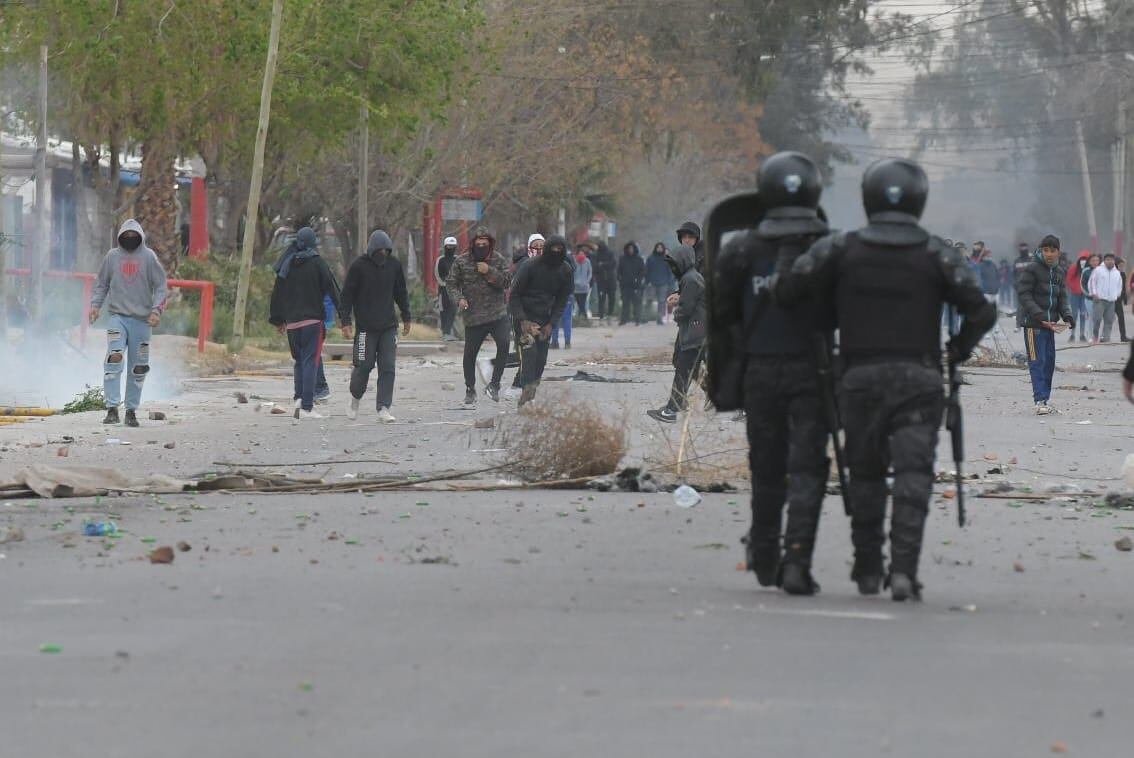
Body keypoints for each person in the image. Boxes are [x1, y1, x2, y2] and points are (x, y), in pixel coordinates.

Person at [777, 158, 996, 601]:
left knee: (867, 474)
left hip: (858, 378)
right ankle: (904, 570)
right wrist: (958, 349)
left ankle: (868, 567)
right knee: (914, 474)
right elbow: (981, 310)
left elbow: (789, 291)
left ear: (867, 197)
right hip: (919, 376)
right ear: (920, 198)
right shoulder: (937, 252)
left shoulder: (840, 248)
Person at [714, 151, 831, 595]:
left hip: (760, 370)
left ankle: (764, 552)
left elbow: (722, 313)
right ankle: (797, 559)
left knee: (765, 465)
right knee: (807, 467)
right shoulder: (829, 246)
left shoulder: (741, 249)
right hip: (812, 371)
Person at [89, 219, 169, 427]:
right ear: (121, 237)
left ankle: (131, 410)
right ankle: (112, 408)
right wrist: (95, 306)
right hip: (118, 317)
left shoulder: (149, 257)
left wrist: (156, 310)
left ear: (140, 237)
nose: (131, 239)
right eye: (127, 236)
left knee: (139, 367)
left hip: (142, 321)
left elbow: (161, 286)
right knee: (114, 358)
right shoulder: (112, 257)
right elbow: (101, 284)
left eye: (135, 236)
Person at [268, 226, 341, 420]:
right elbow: (332, 289)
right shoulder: (317, 263)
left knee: (299, 362)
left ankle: (299, 400)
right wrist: (345, 316)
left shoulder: (287, 264)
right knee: (311, 362)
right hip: (312, 323)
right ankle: (308, 407)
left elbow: (277, 294)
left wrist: (278, 320)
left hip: (292, 324)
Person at [339, 229, 411, 423]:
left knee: (388, 367)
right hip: (365, 329)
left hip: (388, 327)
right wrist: (345, 321)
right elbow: (346, 296)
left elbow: (401, 292)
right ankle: (355, 398)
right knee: (364, 365)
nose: (383, 255)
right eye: (379, 251)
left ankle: (384, 407)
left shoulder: (394, 265)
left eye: (386, 251)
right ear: (371, 250)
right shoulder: (358, 267)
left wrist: (407, 316)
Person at [446, 226, 512, 404]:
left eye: (485, 244)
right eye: (478, 243)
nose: (481, 246)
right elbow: (451, 284)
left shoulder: (497, 259)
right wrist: (459, 299)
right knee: (469, 355)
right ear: (473, 244)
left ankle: (494, 385)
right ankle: (470, 389)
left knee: (505, 345)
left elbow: (507, 282)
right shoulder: (461, 261)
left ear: (490, 244)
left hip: (497, 313)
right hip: (474, 316)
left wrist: (489, 271)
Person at [509, 234, 573, 407]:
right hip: (524, 317)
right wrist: (523, 321)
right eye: (553, 250)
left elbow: (562, 299)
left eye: (560, 251)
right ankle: (526, 397)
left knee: (541, 360)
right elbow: (514, 295)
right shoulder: (530, 266)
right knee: (528, 358)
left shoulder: (565, 270)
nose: (556, 253)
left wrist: (552, 323)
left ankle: (530, 392)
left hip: (545, 319)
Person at [646, 245, 705, 424]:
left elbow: (686, 308)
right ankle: (675, 407)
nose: (673, 268)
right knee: (686, 368)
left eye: (675, 263)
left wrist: (676, 313)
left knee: (683, 371)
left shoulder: (691, 279)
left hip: (696, 331)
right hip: (696, 330)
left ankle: (672, 410)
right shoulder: (690, 278)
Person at [1017, 234, 1074, 415]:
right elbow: (1024, 294)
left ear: (1058, 252)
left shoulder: (1058, 271)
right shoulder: (1032, 268)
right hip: (1033, 324)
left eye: (1053, 250)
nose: (1049, 254)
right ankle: (1039, 400)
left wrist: (1067, 315)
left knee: (1049, 363)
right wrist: (1039, 314)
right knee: (1037, 361)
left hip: (1050, 325)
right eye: (1046, 250)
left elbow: (1062, 297)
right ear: (1041, 250)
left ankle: (1045, 400)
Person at [1087, 253, 1122, 343]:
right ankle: (1095, 336)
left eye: (1112, 260)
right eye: (1108, 260)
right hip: (1099, 299)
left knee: (1109, 320)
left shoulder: (1117, 273)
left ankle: (1105, 337)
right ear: (1104, 261)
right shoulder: (1098, 270)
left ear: (1114, 261)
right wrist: (1094, 294)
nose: (1110, 262)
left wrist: (1117, 294)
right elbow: (1092, 282)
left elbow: (1119, 285)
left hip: (1111, 301)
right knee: (1097, 319)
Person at [550, 250, 577, 349]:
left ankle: (555, 342)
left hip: (556, 295)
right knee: (566, 319)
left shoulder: (553, 263)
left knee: (555, 319)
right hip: (567, 295)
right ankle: (567, 342)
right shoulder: (569, 263)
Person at [436, 236, 459, 341]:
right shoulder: (440, 260)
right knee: (444, 310)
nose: (451, 248)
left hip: (455, 289)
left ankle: (448, 331)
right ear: (445, 247)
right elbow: (437, 274)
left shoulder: (458, 259)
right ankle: (445, 333)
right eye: (449, 246)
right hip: (443, 289)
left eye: (453, 246)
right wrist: (444, 284)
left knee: (453, 309)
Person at [645, 242, 675, 325]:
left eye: (661, 247)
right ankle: (645, 317)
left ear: (663, 249)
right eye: (658, 247)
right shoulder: (650, 258)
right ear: (655, 248)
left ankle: (659, 318)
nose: (659, 249)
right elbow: (647, 270)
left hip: (663, 283)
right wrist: (647, 281)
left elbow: (670, 271)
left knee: (661, 301)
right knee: (649, 300)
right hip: (652, 282)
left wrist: (669, 282)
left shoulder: (666, 259)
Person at [617, 241, 645, 325]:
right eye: (629, 248)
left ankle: (637, 319)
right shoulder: (622, 259)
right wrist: (619, 279)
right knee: (625, 303)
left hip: (636, 285)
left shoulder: (639, 259)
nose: (630, 250)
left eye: (632, 248)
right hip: (625, 285)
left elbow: (643, 271)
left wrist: (638, 280)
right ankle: (624, 319)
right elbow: (619, 271)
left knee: (636, 303)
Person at [1065, 252, 1091, 342]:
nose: (1083, 261)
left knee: (1083, 314)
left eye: (1085, 259)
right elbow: (1068, 280)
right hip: (1074, 295)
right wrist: (1075, 288)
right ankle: (1072, 334)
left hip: (1084, 295)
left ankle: (1082, 334)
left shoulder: (1088, 270)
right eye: (1081, 259)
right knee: (1074, 314)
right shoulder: (1074, 268)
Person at [592, 241, 618, 320]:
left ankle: (610, 313)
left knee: (612, 298)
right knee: (601, 298)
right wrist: (603, 265)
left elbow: (613, 264)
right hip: (601, 280)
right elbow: (595, 266)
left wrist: (602, 264)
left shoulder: (610, 253)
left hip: (611, 280)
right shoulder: (596, 254)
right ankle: (601, 314)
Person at [1012, 242, 1032, 331]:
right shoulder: (1017, 261)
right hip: (1020, 288)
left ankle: (1030, 323)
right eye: (1021, 248)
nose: (1023, 250)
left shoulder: (1031, 260)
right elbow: (1013, 275)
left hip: (1031, 287)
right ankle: (1018, 325)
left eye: (1024, 248)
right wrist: (1015, 285)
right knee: (1020, 307)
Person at [573, 247, 592, 318]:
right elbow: (572, 273)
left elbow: (590, 272)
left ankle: (583, 316)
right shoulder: (574, 261)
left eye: (582, 253)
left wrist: (587, 281)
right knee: (578, 302)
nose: (581, 255)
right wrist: (574, 281)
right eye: (580, 254)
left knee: (583, 302)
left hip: (585, 287)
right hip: (576, 287)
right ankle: (582, 316)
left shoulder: (587, 261)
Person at [1116, 258, 1129, 342]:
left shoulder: (1123, 274)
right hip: (1110, 300)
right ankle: (1102, 336)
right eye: (1120, 266)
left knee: (1121, 318)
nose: (1122, 267)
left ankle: (1123, 336)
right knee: (1107, 319)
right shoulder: (1113, 274)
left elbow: (1123, 287)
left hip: (1118, 300)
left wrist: (1125, 299)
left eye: (1123, 266)